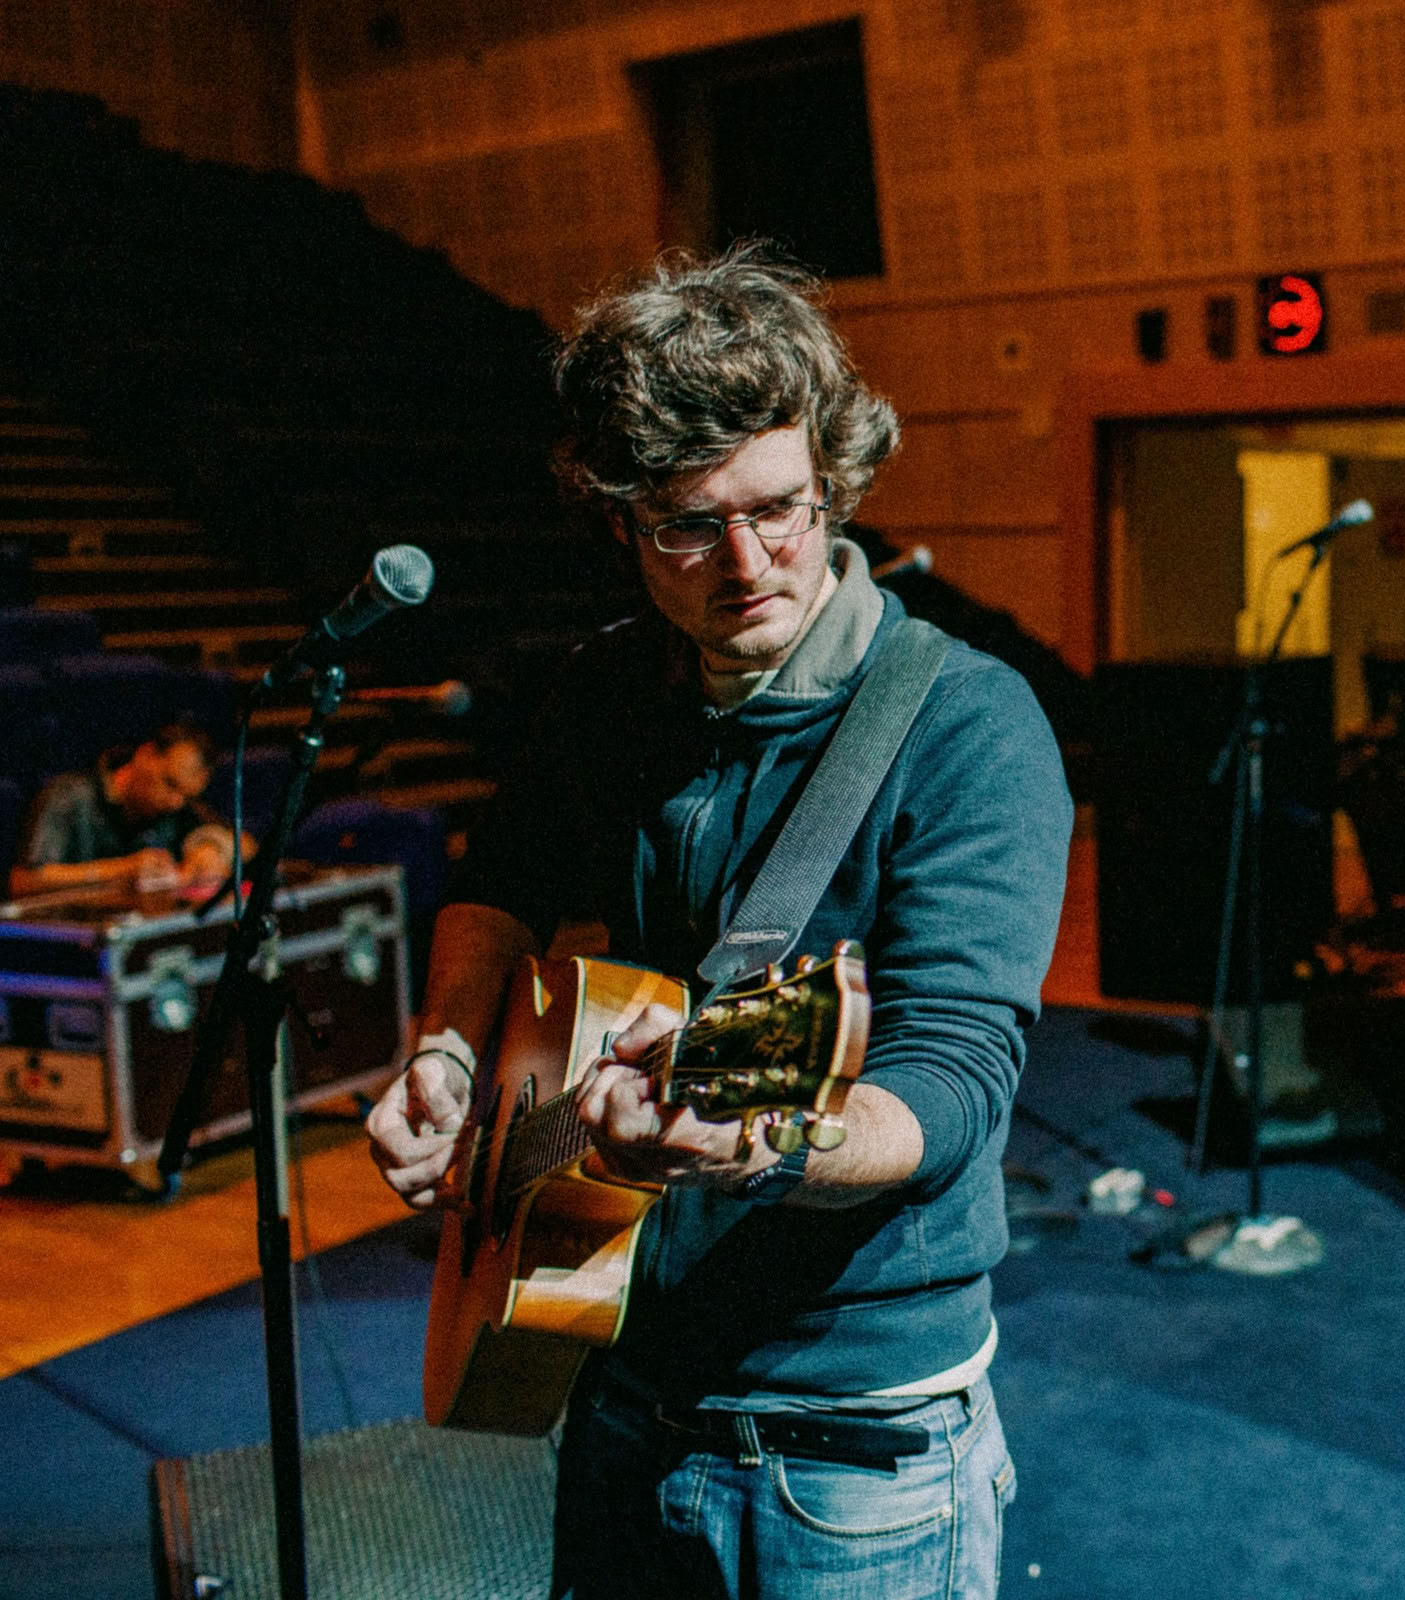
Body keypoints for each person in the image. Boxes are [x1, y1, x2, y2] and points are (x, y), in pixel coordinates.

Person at [364, 245, 1072, 1600]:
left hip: (848, 1440)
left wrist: (749, 1141)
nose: (749, 564)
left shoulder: (967, 726)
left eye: (784, 510)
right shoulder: (607, 692)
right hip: (617, 1374)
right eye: (691, 525)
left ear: (836, 481)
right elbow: (498, 882)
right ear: (622, 524)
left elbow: (953, 1079)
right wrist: (450, 1056)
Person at [10, 718, 237, 897]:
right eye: (170, 784)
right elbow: (25, 880)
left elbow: (245, 843)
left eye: (186, 796)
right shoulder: (69, 795)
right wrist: (123, 870)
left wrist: (211, 848)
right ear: (146, 755)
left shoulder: (176, 807)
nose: (175, 802)